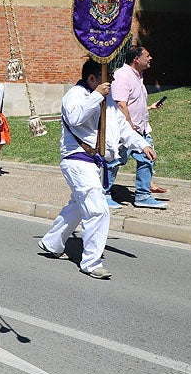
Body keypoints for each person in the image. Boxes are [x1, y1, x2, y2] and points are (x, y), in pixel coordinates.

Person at [39, 59, 155, 279]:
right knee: (97, 210)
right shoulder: (75, 95)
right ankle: (91, 262)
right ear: (92, 79)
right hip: (77, 160)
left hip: (95, 163)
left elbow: (122, 127)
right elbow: (74, 118)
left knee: (78, 206)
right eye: (107, 77)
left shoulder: (108, 100)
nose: (111, 81)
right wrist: (97, 96)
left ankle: (52, 243)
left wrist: (142, 144)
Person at [107, 46, 166, 209]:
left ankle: (143, 196)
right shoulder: (123, 75)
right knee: (114, 161)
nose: (150, 58)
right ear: (136, 59)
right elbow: (120, 104)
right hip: (126, 130)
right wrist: (130, 127)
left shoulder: (138, 76)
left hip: (141, 129)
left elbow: (133, 103)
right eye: (147, 55)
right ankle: (103, 194)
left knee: (148, 158)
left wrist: (148, 110)